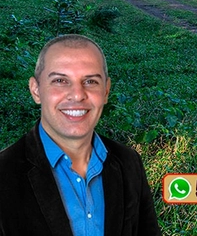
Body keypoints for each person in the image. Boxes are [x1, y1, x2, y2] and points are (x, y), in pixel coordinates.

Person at [0, 34, 161, 236]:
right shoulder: (4, 173)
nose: (77, 95)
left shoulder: (129, 162)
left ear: (106, 91)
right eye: (60, 80)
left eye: (90, 81)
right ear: (36, 90)